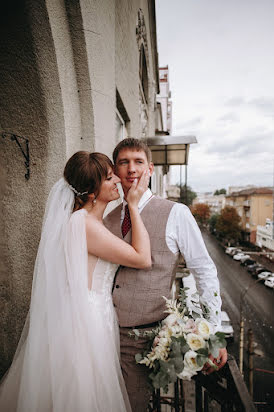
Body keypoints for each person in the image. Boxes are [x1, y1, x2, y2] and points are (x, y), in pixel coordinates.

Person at [0, 151, 151, 412]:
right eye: (108, 177)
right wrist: (134, 206)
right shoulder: (84, 225)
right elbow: (142, 258)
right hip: (88, 319)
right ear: (92, 192)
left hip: (89, 313)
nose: (117, 178)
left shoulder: (87, 221)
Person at [104, 138, 228, 412]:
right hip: (101, 334)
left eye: (138, 162)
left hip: (143, 342)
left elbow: (204, 270)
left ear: (150, 168)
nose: (131, 169)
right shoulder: (107, 217)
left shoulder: (176, 213)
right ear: (115, 169)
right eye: (124, 162)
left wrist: (213, 331)